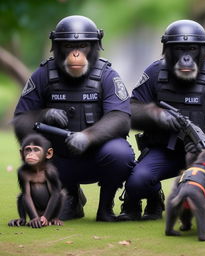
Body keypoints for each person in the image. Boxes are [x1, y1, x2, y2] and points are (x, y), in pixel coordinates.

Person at [117, 20, 205, 221]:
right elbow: (131, 109)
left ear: (203, 50)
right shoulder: (154, 73)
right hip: (164, 150)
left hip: (204, 151)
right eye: (179, 50)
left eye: (192, 49)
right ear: (167, 51)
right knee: (138, 182)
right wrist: (157, 115)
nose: (186, 58)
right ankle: (154, 198)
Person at [13, 15, 135, 222]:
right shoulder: (43, 75)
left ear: (95, 47)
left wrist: (88, 136)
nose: (76, 54)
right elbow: (20, 121)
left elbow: (121, 117)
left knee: (120, 153)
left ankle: (105, 207)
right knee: (36, 151)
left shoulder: (107, 75)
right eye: (69, 46)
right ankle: (69, 197)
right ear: (57, 47)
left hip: (97, 158)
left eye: (83, 46)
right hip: (58, 161)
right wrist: (43, 114)